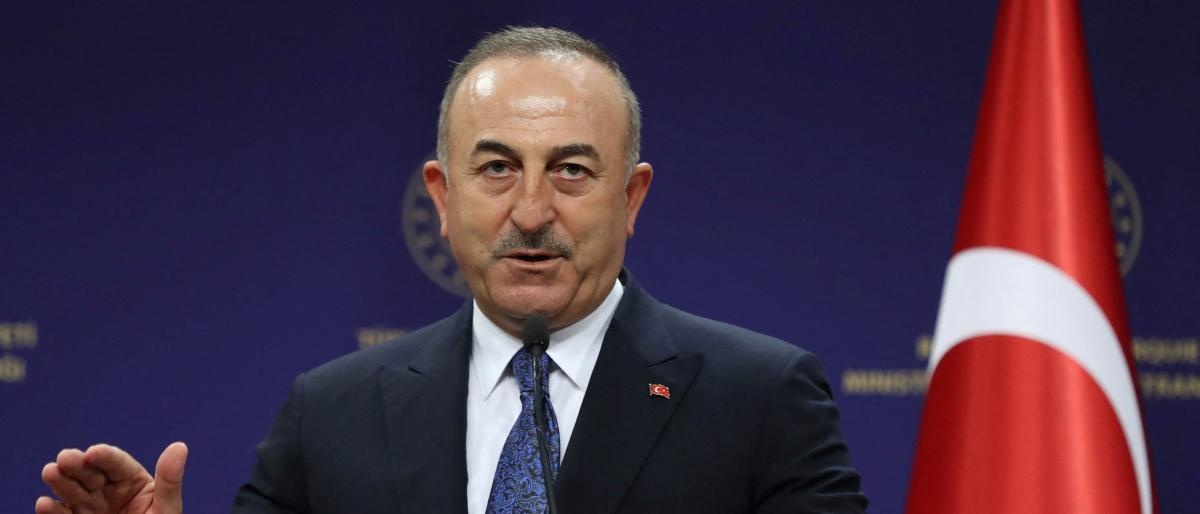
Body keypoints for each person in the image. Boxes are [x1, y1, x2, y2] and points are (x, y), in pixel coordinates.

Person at [35, 27, 867, 514]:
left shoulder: (760, 400)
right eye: (497, 167)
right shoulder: (330, 413)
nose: (532, 209)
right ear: (441, 194)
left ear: (631, 197)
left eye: (572, 170)